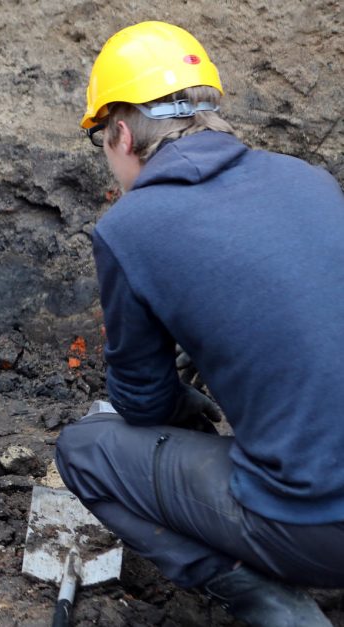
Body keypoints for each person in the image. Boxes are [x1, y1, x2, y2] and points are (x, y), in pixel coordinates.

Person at [55, 21, 344, 626]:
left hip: (316, 529)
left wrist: (184, 405)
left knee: (84, 451)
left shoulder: (130, 227)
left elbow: (142, 402)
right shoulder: (310, 179)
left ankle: (269, 604)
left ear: (122, 133)